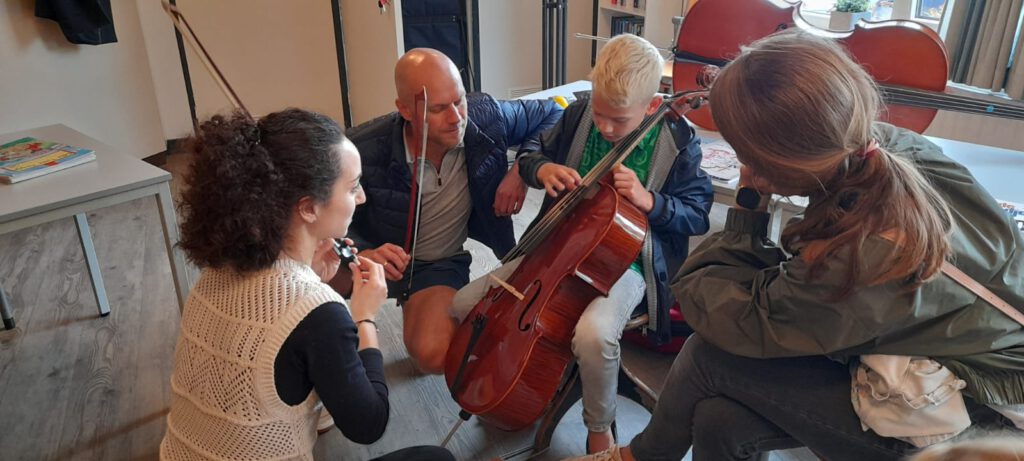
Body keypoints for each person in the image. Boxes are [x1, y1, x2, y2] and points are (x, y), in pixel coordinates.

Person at [569, 31, 1024, 461]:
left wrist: (748, 206)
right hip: (952, 358)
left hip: (985, 421)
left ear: (774, 166)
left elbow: (716, 305)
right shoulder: (889, 148)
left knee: (709, 356)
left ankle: (640, 456)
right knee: (720, 420)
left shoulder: (859, 257)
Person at [453, 33, 714, 454]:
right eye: (600, 113)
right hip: (557, 248)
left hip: (628, 260)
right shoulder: (578, 114)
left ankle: (600, 427)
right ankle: (532, 380)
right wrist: (541, 170)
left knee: (593, 336)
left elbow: (697, 213)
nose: (605, 127)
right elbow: (533, 149)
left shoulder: (678, 142)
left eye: (618, 120)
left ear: (651, 106)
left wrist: (651, 201)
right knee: (464, 304)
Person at [159, 109, 454, 461]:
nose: (361, 197)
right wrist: (365, 317)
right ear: (308, 208)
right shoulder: (318, 313)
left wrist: (312, 277)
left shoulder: (218, 269)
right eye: (353, 186)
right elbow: (368, 424)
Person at [339, 48, 564, 374]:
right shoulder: (359, 147)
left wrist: (522, 168)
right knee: (313, 278)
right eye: (439, 108)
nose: (457, 118)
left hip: (435, 264)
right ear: (404, 110)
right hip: (371, 257)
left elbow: (555, 112)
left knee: (434, 355)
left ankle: (421, 304)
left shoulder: (485, 118)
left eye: (459, 101)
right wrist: (360, 252)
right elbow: (318, 218)